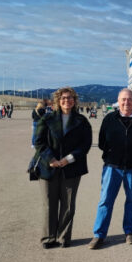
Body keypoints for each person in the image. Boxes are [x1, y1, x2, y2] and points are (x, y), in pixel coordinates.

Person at [89, 88, 132, 249]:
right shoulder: (109, 118)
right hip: (112, 167)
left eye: (130, 99)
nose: (126, 102)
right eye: (123, 99)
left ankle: (129, 231)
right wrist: (113, 153)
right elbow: (102, 142)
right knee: (105, 201)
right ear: (118, 101)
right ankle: (99, 234)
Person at [34, 87, 91, 249]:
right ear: (58, 101)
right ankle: (48, 237)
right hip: (48, 167)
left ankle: (64, 237)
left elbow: (85, 144)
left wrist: (68, 159)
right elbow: (38, 141)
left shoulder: (81, 121)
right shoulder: (47, 118)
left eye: (70, 97)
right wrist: (51, 159)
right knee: (49, 204)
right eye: (64, 98)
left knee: (68, 204)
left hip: (72, 167)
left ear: (75, 100)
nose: (67, 100)